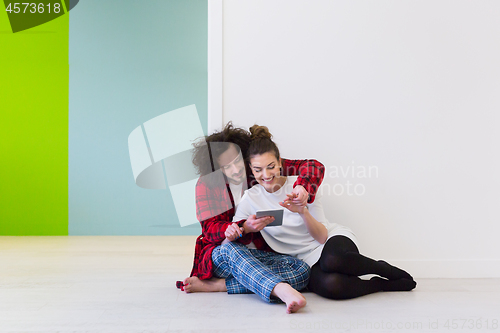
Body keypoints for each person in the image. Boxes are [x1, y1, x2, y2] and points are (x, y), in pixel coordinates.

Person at [228, 125, 417, 300]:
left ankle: (382, 268)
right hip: (302, 260)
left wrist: (303, 211)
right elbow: (231, 235)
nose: (266, 175)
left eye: (270, 167)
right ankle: (379, 285)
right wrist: (245, 227)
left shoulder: (299, 186)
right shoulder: (250, 199)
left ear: (279, 163)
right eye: (258, 169)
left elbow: (321, 236)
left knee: (333, 261)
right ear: (251, 170)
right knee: (333, 286)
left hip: (329, 241)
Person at [181, 122, 326, 313]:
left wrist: (302, 186)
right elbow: (209, 230)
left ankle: (220, 286)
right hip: (222, 254)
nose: (235, 170)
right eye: (227, 166)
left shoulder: (258, 170)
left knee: (301, 271)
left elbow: (313, 166)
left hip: (256, 254)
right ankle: (280, 289)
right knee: (231, 249)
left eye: (237, 161)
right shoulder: (206, 185)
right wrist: (240, 228)